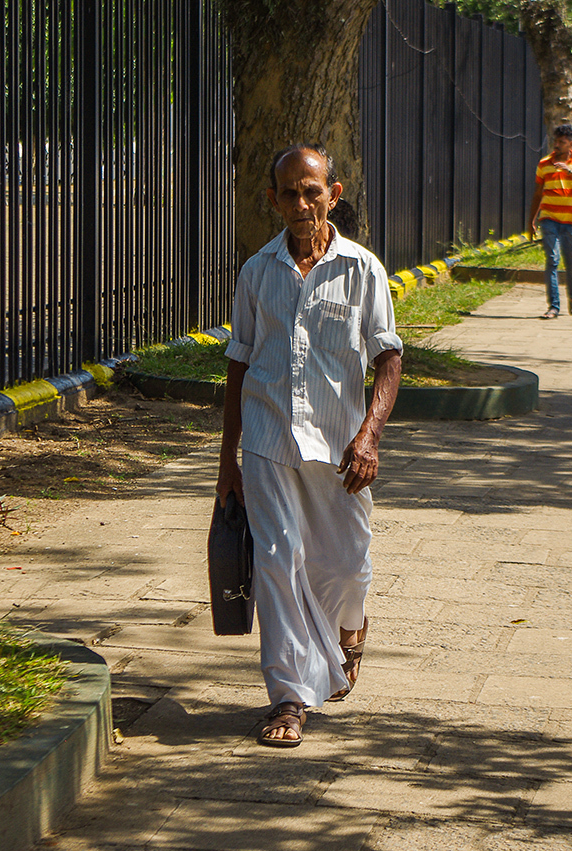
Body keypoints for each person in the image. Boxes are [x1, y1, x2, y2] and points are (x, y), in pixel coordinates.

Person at [217, 144, 403, 748]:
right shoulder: (256, 272)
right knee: (276, 562)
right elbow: (239, 365)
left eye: (312, 191)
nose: (301, 204)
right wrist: (228, 462)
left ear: (334, 193)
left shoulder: (362, 269)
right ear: (272, 200)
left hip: (340, 444)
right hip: (270, 440)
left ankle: (350, 628)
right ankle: (290, 697)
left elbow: (388, 356)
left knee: (345, 566)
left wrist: (369, 435)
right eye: (289, 193)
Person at [528, 123, 572, 319]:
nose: (557, 145)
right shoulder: (544, 164)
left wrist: (570, 172)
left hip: (571, 221)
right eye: (555, 141)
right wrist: (531, 220)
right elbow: (537, 194)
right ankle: (553, 306)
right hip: (549, 218)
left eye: (562, 142)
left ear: (571, 144)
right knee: (551, 260)